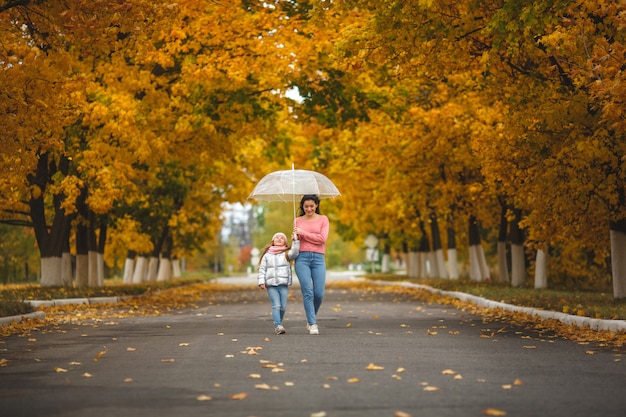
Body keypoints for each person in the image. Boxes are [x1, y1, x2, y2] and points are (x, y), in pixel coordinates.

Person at [293, 195, 329, 335]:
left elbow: (322, 239)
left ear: (316, 205)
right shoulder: (297, 221)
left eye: (311, 206)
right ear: (302, 206)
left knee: (319, 293)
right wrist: (295, 237)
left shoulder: (323, 219)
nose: (309, 209)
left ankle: (310, 318)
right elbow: (300, 240)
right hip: (302, 258)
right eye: (306, 206)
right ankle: (312, 323)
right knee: (308, 292)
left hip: (318, 259)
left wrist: (303, 233)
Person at [257, 232, 300, 335]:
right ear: (273, 241)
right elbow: (262, 269)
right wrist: (261, 281)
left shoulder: (287, 253)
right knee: (276, 305)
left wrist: (295, 240)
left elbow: (295, 252)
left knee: (283, 307)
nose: (279, 239)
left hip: (283, 284)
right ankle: (278, 325)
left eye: (282, 238)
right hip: (271, 284)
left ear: (285, 242)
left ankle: (278, 322)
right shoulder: (267, 255)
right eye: (277, 237)